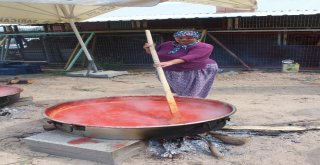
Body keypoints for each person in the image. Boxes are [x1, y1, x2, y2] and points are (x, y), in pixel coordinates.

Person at [143, 29, 218, 98]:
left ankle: (192, 107)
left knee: (191, 93)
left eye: (189, 38)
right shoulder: (167, 44)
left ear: (196, 38)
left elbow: (190, 57)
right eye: (180, 37)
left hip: (195, 71)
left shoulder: (203, 46)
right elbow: (157, 54)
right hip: (172, 71)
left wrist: (170, 62)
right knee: (181, 92)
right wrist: (149, 49)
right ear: (175, 37)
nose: (184, 39)